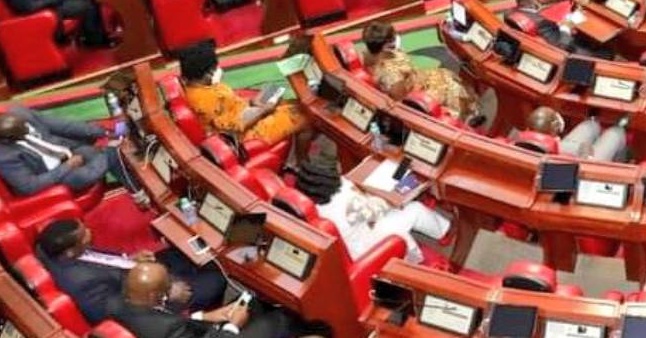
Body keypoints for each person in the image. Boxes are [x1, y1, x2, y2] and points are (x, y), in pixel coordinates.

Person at [36, 219, 226, 323]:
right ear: (70, 251)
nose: (89, 232)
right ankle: (207, 316)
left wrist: (129, 259)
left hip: (135, 271)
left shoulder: (51, 248)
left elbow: (102, 261)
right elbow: (117, 312)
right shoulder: (84, 283)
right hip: (150, 294)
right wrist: (165, 296)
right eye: (84, 234)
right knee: (216, 279)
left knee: (185, 252)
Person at [296, 138, 452, 263]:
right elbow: (383, 206)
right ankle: (443, 233)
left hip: (352, 241)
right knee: (414, 209)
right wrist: (396, 189)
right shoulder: (348, 205)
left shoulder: (311, 208)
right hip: (370, 245)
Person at [109, 261, 296, 338]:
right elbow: (171, 326)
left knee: (250, 302)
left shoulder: (114, 304)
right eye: (166, 287)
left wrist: (204, 316)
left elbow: (172, 321)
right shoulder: (165, 328)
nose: (170, 289)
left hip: (195, 330)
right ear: (153, 296)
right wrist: (234, 326)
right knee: (279, 319)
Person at [180, 43, 309, 147]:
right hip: (243, 137)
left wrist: (253, 102)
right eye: (215, 67)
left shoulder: (204, 85)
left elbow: (231, 105)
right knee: (305, 113)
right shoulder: (203, 101)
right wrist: (263, 110)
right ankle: (300, 164)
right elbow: (232, 129)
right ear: (208, 73)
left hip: (248, 113)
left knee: (293, 102)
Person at [0, 105, 128, 197]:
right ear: (8, 140)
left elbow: (63, 125)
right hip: (52, 175)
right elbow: (29, 185)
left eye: (27, 127)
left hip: (69, 151)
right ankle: (116, 155)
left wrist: (105, 133)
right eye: (24, 133)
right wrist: (67, 166)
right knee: (109, 158)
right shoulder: (3, 156)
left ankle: (136, 190)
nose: (29, 131)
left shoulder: (20, 113)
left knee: (105, 155)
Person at [361, 21, 480, 121]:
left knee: (447, 74)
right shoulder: (390, 74)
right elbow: (401, 99)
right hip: (415, 94)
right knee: (453, 89)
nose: (396, 38)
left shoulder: (377, 53)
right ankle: (461, 119)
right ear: (384, 46)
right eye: (392, 38)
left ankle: (469, 109)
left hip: (417, 78)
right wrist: (406, 73)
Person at [529, 107, 629, 161]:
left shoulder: (518, 144)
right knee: (615, 133)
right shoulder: (556, 147)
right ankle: (619, 165)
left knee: (590, 125)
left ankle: (593, 119)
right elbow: (586, 150)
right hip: (584, 170)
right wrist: (584, 153)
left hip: (557, 158)